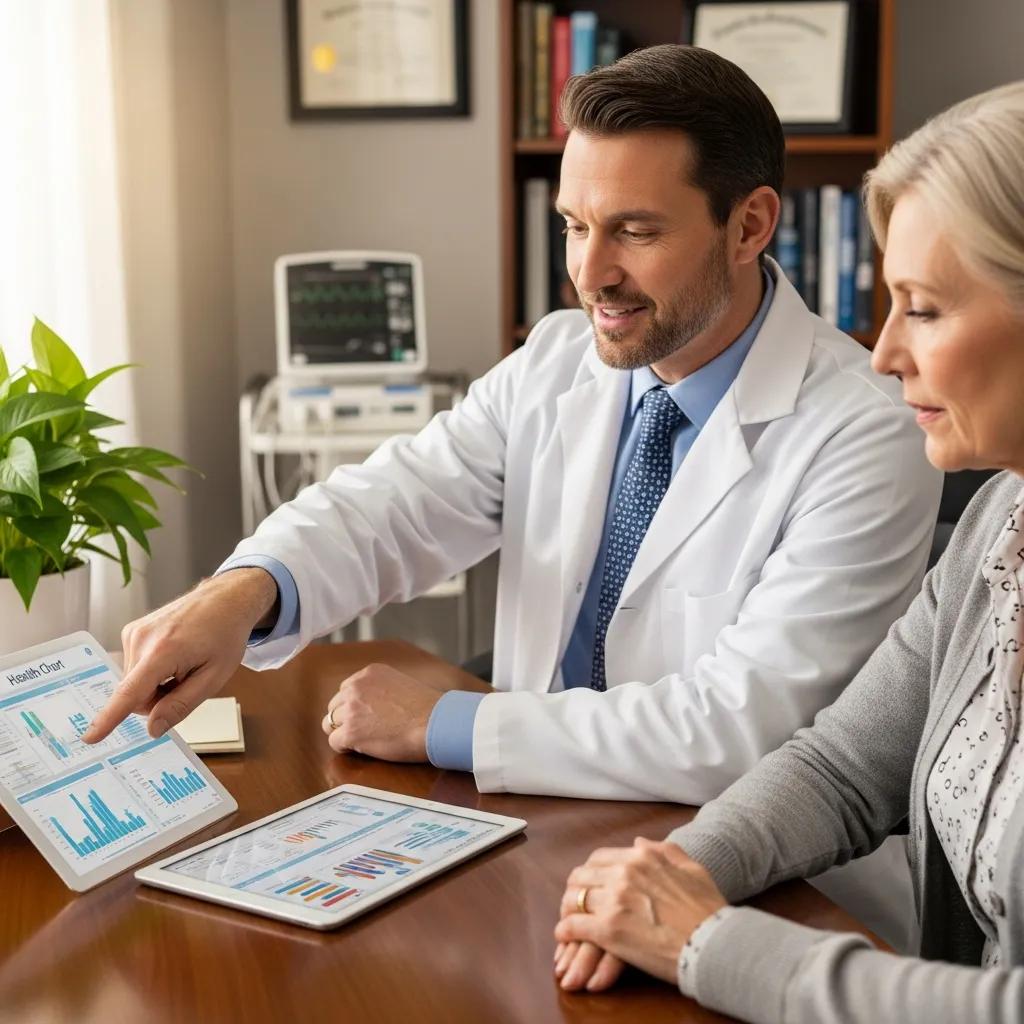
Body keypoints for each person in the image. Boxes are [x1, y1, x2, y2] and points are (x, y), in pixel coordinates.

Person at [85, 48, 936, 810]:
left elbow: (743, 730)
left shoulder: (867, 433)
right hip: (537, 819)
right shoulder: (559, 359)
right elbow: (401, 501)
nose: (590, 274)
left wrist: (452, 724)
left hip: (744, 877)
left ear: (749, 225)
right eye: (573, 226)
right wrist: (245, 593)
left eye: (635, 232)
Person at [553, 81, 1024, 1021]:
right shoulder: (998, 528)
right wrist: (669, 875)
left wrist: (705, 942)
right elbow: (845, 765)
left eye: (923, 308)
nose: (884, 352)